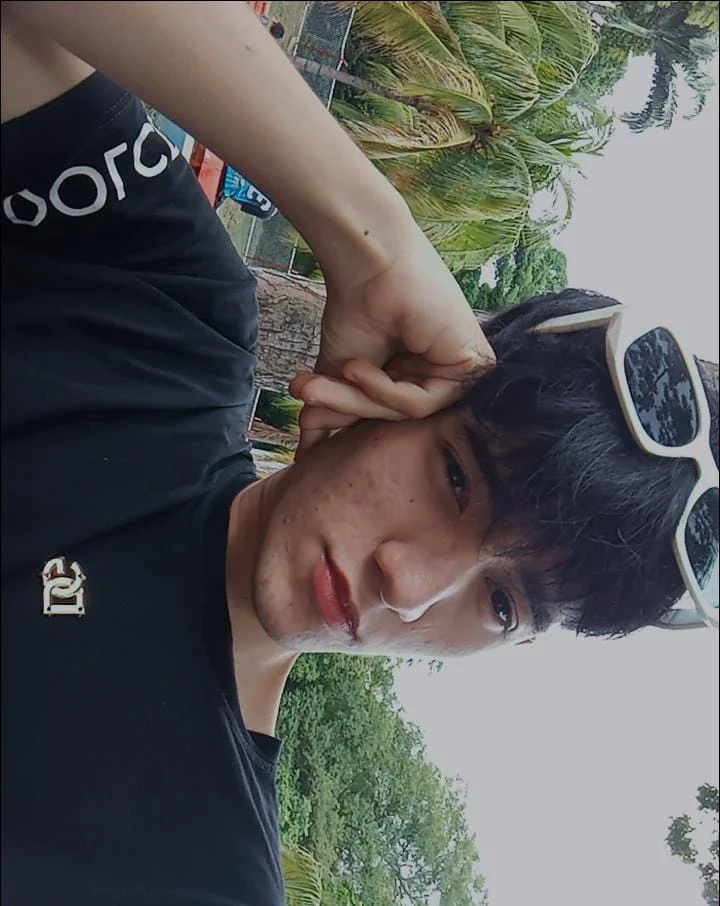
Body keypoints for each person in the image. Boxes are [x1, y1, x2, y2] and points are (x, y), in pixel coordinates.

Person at [1, 3, 717, 906]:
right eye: (456, 479)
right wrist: (372, 238)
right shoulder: (167, 314)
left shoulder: (197, 871)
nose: (408, 587)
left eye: (503, 604)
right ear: (408, 385)